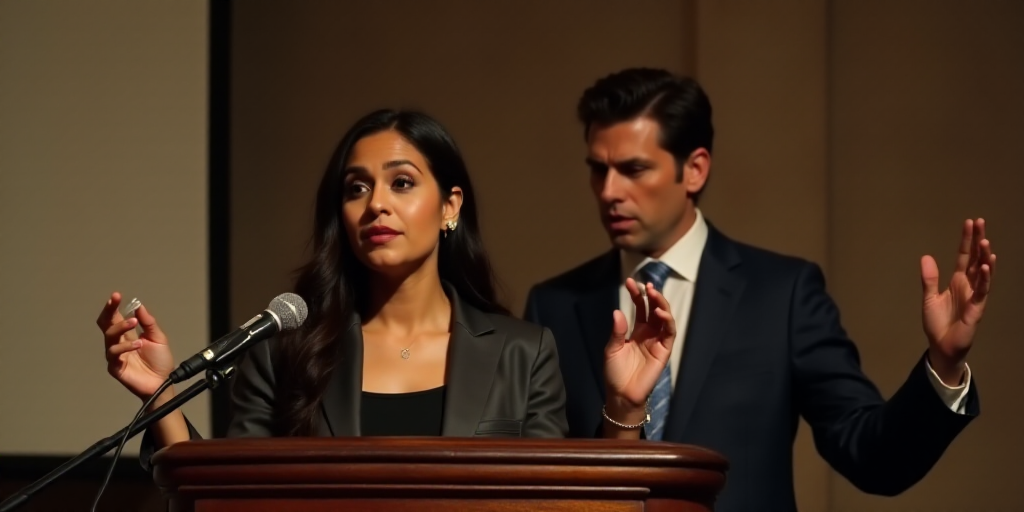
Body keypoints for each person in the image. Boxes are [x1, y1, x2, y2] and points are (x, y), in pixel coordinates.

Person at [523, 68, 996, 512]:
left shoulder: (782, 294)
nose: (608, 191)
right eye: (597, 169)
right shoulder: (554, 305)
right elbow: (535, 484)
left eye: (633, 169)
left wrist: (944, 364)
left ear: (695, 170)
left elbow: (873, 457)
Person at [96, 109, 676, 469]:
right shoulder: (282, 348)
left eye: (401, 183)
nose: (377, 204)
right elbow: (227, 498)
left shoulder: (522, 352)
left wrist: (625, 406)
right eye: (356, 188)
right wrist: (161, 397)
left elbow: (560, 503)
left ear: (449, 207)